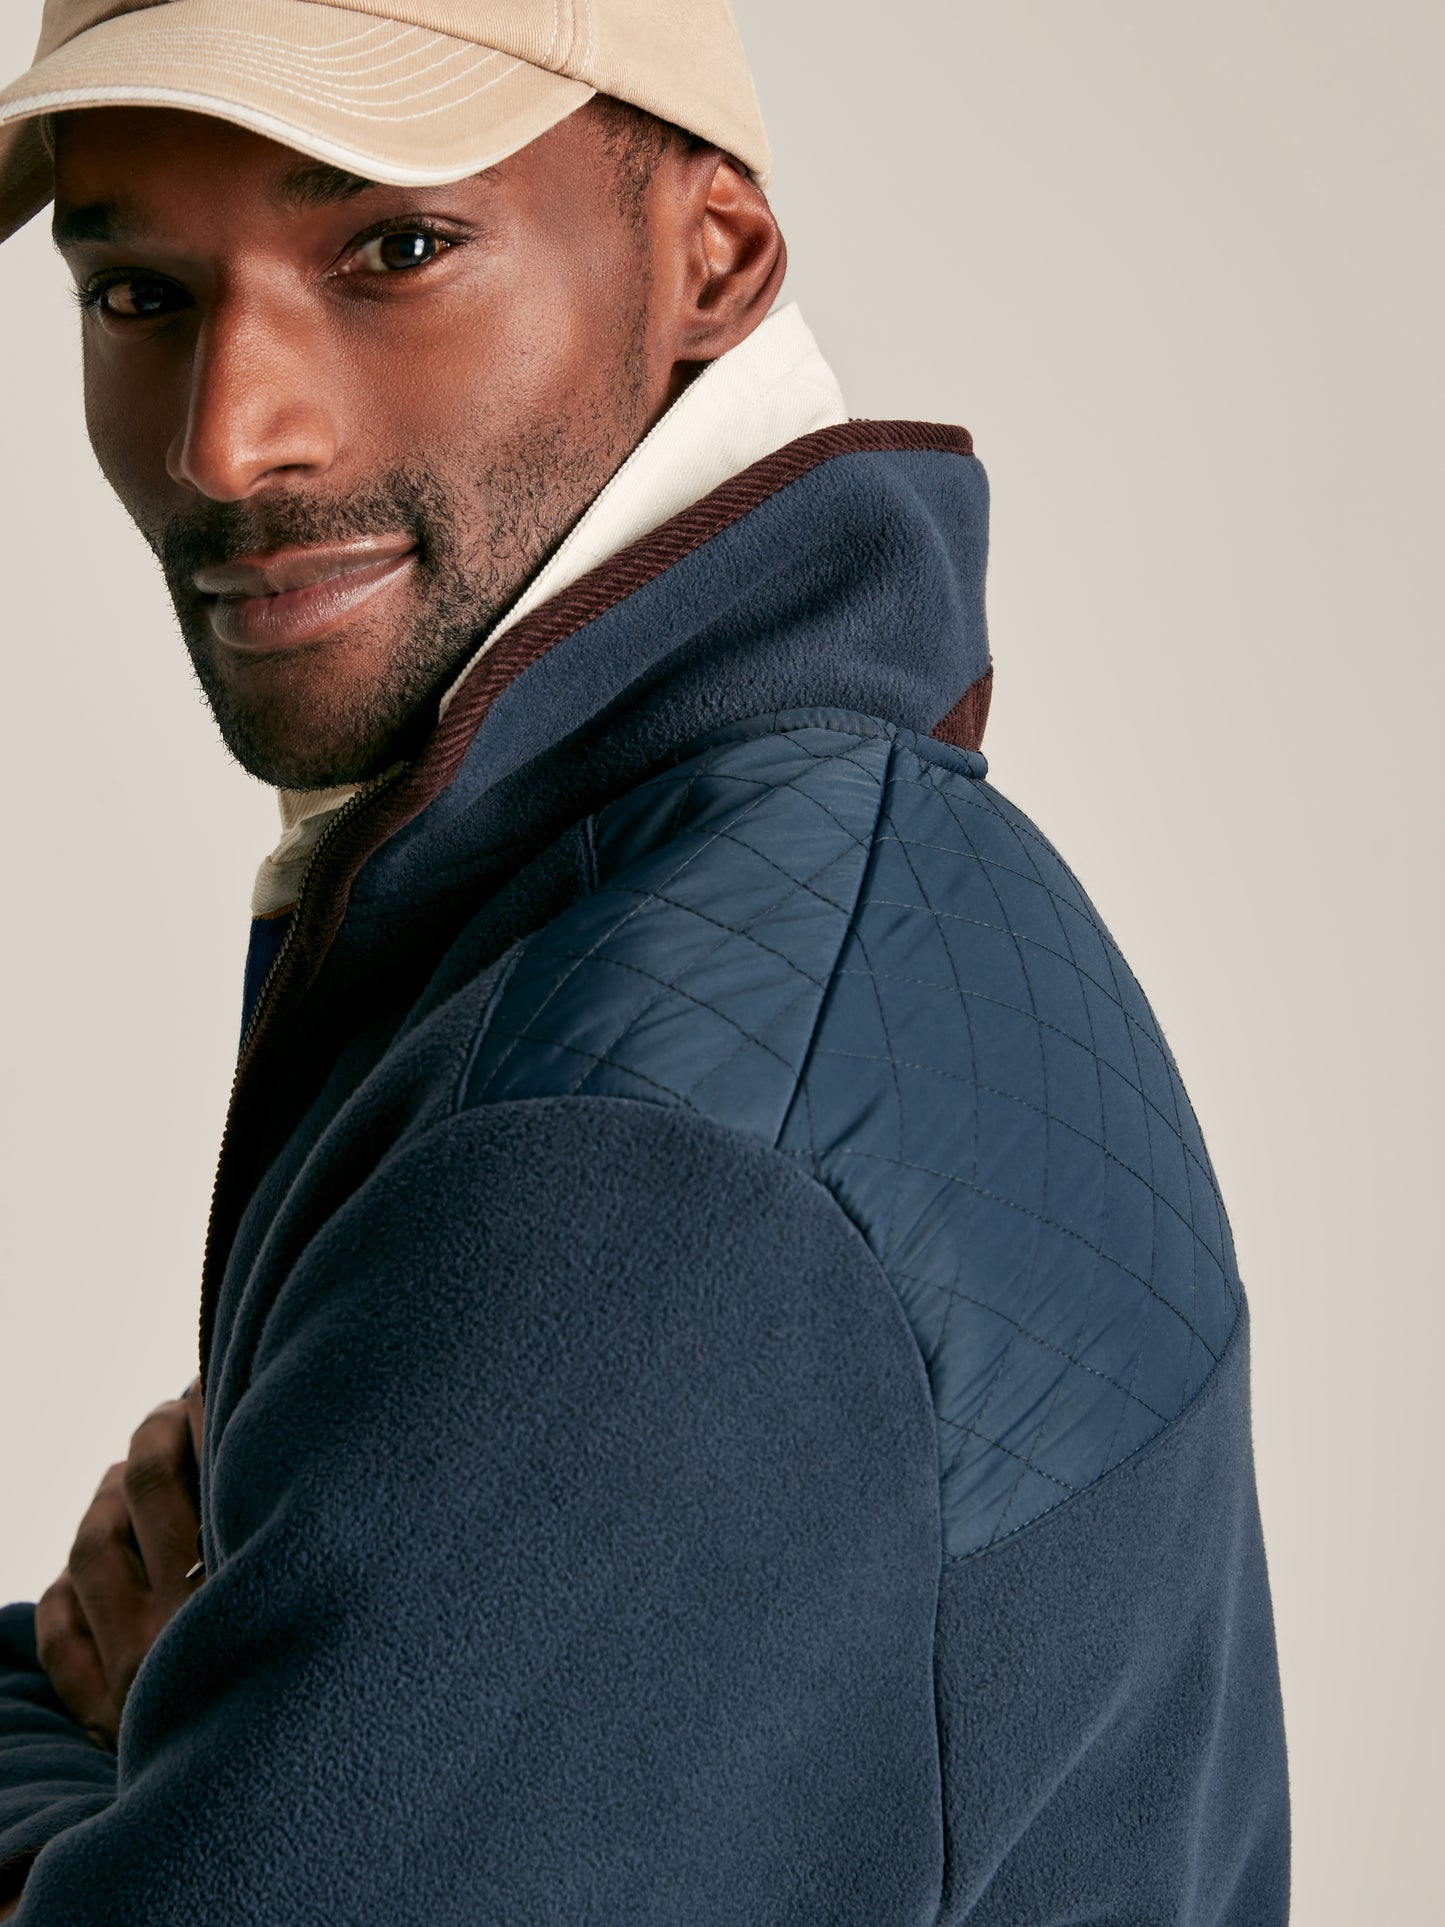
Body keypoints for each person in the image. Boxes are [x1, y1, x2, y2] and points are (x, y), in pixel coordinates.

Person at [0, 1, 1290, 1919]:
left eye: (392, 247)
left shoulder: (649, 1157)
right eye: (140, 295)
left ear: (714, 257)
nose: (229, 438)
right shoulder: (804, 889)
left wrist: (128, 1756)